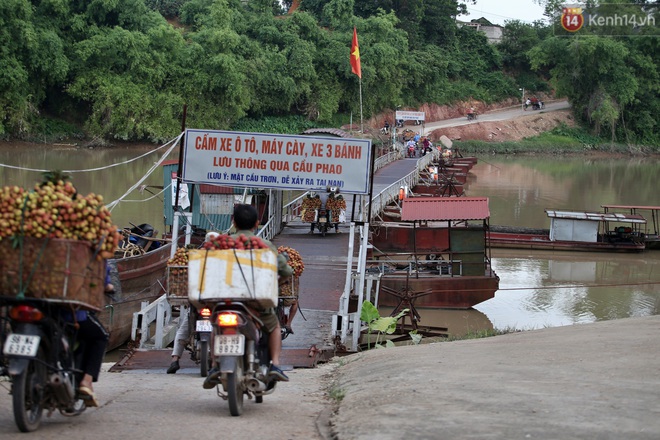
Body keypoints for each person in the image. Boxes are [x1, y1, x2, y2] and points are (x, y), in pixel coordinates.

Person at [204, 204, 293, 387]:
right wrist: (277, 281)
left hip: (225, 300)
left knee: (215, 327)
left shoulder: (220, 245)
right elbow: (285, 271)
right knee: (275, 326)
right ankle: (275, 364)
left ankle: (214, 365)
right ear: (257, 224)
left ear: (233, 222)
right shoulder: (265, 246)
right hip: (255, 303)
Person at [71, 265, 112, 407]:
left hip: (39, 306)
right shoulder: (91, 246)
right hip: (71, 310)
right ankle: (86, 381)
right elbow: (101, 269)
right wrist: (107, 285)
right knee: (100, 336)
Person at [166, 306, 191, 374]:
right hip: (213, 308)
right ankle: (215, 362)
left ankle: (175, 360)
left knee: (182, 332)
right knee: (217, 331)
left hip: (196, 308)